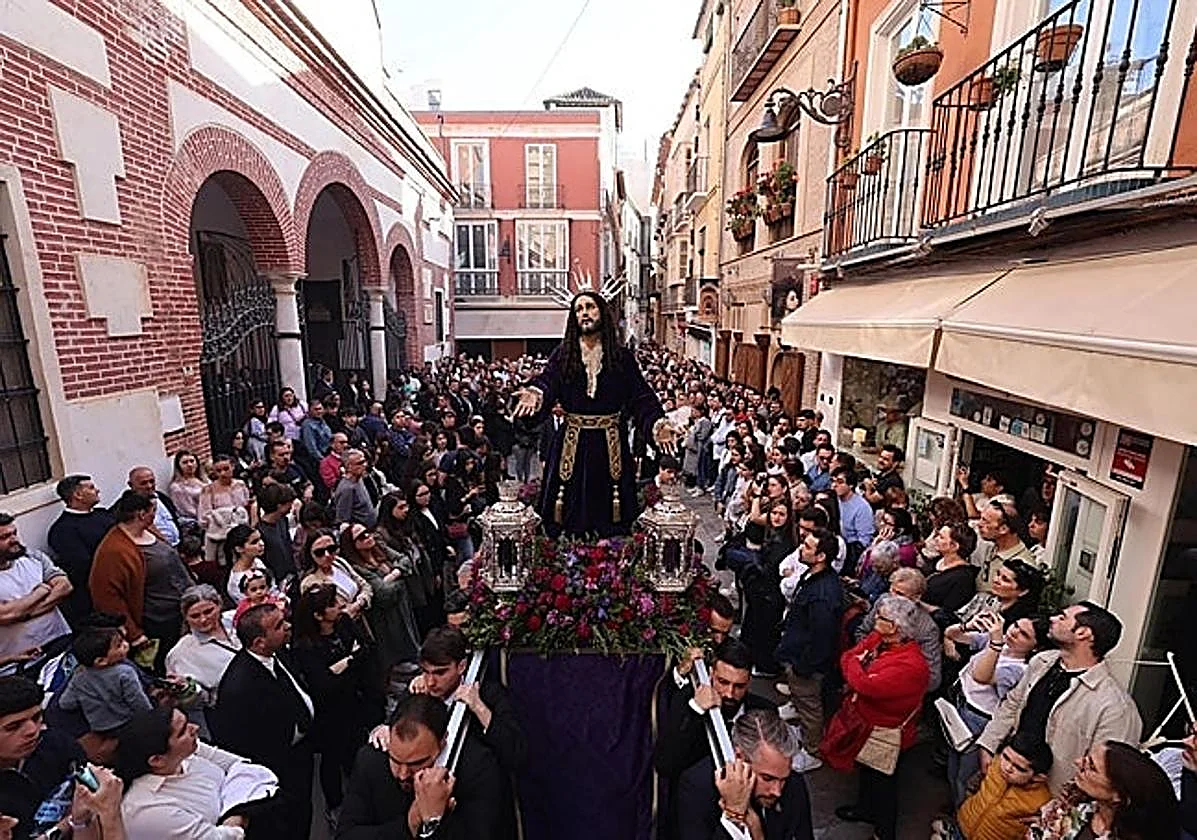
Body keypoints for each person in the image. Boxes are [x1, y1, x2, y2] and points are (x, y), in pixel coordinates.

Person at [512, 292, 678, 537]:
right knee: (565, 507)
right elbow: (548, 382)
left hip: (609, 444)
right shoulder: (563, 355)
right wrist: (536, 394)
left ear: (602, 312)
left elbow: (642, 398)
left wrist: (658, 424)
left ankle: (609, 559)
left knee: (612, 510)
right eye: (578, 310)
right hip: (571, 443)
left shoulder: (621, 358)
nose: (584, 313)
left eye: (590, 307)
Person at [975, 602, 1143, 794]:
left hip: (1049, 800)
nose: (1052, 619)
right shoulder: (1042, 662)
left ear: (1083, 633)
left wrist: (1060, 811)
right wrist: (988, 745)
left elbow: (1105, 775)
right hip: (1005, 774)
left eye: (1062, 617)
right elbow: (1012, 705)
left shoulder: (1115, 708)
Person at [824, 597, 930, 840]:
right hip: (864, 724)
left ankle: (884, 832)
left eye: (880, 617)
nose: (874, 620)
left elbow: (862, 683)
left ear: (894, 626)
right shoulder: (881, 640)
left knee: (884, 785)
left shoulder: (909, 665)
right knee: (867, 773)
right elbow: (849, 657)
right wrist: (855, 665)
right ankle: (865, 809)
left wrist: (855, 667)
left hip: (885, 731)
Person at [210, 603, 314, 840]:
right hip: (277, 769)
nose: (287, 626)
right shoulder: (240, 685)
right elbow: (240, 740)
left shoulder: (279, 654)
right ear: (259, 642)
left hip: (299, 753)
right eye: (278, 626)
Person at [338, 692, 503, 839]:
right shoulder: (371, 761)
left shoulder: (476, 767)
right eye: (395, 760)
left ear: (443, 741)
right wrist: (410, 824)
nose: (403, 774)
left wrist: (437, 820)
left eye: (417, 763)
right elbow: (346, 834)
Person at [116, 705, 277, 840]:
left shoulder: (190, 750)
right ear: (157, 760)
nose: (195, 728)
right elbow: (223, 837)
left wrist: (233, 812)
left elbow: (241, 764)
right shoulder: (148, 811)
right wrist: (242, 806)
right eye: (182, 731)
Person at [292, 584, 382, 823]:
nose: (339, 607)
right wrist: (351, 660)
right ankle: (335, 806)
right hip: (330, 712)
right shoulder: (306, 646)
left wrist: (344, 664)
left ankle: (364, 796)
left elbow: (366, 649)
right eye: (331, 605)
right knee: (332, 759)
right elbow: (324, 684)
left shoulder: (343, 623)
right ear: (318, 616)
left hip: (356, 700)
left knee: (358, 750)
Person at [942, 613, 1050, 806]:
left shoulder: (1020, 669)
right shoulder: (1002, 644)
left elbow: (981, 676)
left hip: (978, 719)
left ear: (1036, 647)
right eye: (1015, 625)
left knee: (964, 775)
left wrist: (995, 644)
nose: (1014, 633)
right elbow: (952, 634)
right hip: (960, 704)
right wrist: (968, 625)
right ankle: (952, 803)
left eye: (1024, 635)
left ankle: (961, 817)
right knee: (952, 762)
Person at [90, 490, 192, 673]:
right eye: (153, 510)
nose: (155, 515)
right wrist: (134, 633)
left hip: (180, 611)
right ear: (142, 514)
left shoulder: (148, 530)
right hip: (157, 621)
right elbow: (107, 596)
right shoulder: (114, 550)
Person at [675, 709, 814, 840]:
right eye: (767, 778)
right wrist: (734, 816)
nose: (777, 791)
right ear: (739, 757)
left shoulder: (794, 784)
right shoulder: (698, 788)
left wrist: (758, 835)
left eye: (783, 780)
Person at [654, 638, 775, 781]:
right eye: (723, 682)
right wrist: (696, 710)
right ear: (711, 674)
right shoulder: (687, 703)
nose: (729, 693)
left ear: (749, 681)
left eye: (739, 686)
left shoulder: (765, 711)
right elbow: (665, 765)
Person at [774, 527, 843, 758]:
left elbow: (821, 638)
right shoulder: (813, 576)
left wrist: (803, 667)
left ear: (821, 556)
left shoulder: (823, 595)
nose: (801, 549)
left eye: (807, 547)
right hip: (797, 652)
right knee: (803, 703)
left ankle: (812, 751)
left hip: (806, 664)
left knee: (810, 708)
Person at [1027, 740, 1179, 840]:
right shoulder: (1076, 801)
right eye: (1086, 757)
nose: (1078, 762)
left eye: (1091, 767)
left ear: (1119, 796)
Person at [935, 732, 1053, 840]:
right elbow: (974, 786)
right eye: (1006, 757)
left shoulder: (1041, 801)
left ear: (1038, 777)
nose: (1007, 768)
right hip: (964, 824)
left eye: (1019, 768)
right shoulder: (995, 765)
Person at [339, 522, 421, 672]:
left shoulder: (379, 548)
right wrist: (402, 579)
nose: (368, 537)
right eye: (361, 537)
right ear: (353, 545)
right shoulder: (358, 567)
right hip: (385, 615)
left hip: (402, 606)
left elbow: (405, 559)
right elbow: (383, 592)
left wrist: (395, 573)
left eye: (367, 532)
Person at [0, 514, 73, 672]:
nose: (14, 540)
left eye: (14, 533)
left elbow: (64, 586)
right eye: (4, 537)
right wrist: (41, 591)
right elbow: (5, 616)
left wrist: (24, 613)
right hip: (18, 663)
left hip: (60, 641)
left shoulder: (32, 557)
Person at [58, 625, 150, 736]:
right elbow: (138, 702)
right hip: (128, 723)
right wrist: (151, 717)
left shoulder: (78, 676)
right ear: (101, 660)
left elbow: (66, 703)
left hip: (101, 730)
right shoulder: (125, 673)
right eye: (119, 645)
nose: (126, 644)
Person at [47, 474, 114, 621]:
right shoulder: (63, 530)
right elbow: (82, 565)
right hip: (97, 595)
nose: (97, 490)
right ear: (77, 495)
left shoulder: (103, 515)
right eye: (91, 488)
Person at [165, 585, 240, 715]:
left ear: (219, 605)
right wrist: (188, 689)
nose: (203, 620)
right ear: (186, 618)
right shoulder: (181, 653)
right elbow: (199, 701)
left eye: (208, 611)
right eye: (195, 616)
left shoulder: (237, 620)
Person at [299, 530, 372, 618]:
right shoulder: (310, 583)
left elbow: (365, 586)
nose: (327, 555)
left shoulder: (339, 562)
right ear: (310, 554)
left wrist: (358, 604)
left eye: (331, 549)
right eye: (319, 552)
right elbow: (327, 614)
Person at [197, 454, 250, 566]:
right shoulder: (208, 490)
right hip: (221, 536)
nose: (222, 473)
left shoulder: (240, 484)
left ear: (233, 467)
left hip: (241, 533)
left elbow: (246, 505)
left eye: (226, 469)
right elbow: (203, 517)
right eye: (218, 471)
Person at [832, 465, 875, 577]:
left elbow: (864, 541)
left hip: (850, 551)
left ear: (850, 485)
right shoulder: (833, 499)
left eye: (840, 482)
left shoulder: (862, 508)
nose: (834, 485)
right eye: (833, 481)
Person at [127, 466, 181, 546]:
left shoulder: (162, 498)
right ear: (131, 485)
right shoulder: (128, 506)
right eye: (143, 483)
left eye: (152, 481)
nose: (149, 486)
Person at [333, 449, 378, 529]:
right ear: (348, 467)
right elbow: (343, 520)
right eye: (359, 463)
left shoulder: (359, 479)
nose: (365, 465)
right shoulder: (347, 489)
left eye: (364, 461)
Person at [167, 450, 207, 526]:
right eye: (185, 462)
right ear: (179, 466)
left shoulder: (204, 479)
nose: (189, 465)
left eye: (192, 461)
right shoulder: (177, 488)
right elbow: (187, 510)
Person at [862, 444, 905, 508]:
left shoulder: (892, 481)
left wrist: (867, 486)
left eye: (886, 459)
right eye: (881, 457)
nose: (880, 460)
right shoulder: (883, 475)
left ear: (895, 463)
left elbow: (872, 500)